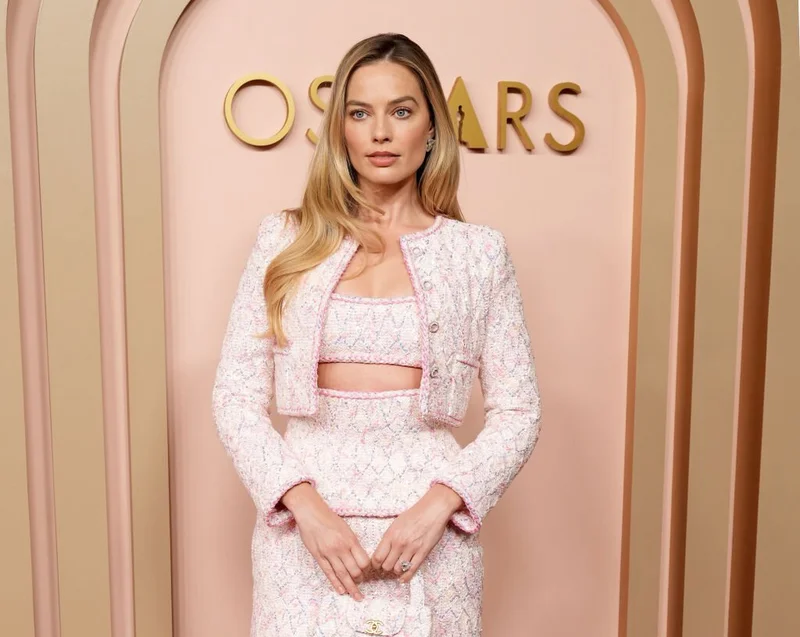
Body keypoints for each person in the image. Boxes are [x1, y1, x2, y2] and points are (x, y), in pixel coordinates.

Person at [212, 32, 542, 637]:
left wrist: (441, 504)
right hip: (303, 536)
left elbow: (519, 411)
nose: (381, 133)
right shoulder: (284, 239)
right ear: (341, 129)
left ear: (432, 127)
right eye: (360, 113)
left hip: (429, 539)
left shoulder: (478, 253)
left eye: (401, 111)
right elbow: (235, 397)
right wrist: (302, 505)